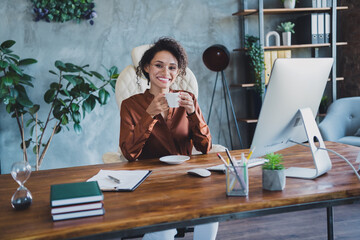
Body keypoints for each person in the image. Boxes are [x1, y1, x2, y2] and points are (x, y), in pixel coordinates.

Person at [119, 37, 218, 240]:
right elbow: (129, 153)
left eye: (172, 67)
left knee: (211, 214)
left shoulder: (187, 99)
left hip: (187, 177)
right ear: (147, 67)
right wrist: (149, 115)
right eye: (159, 65)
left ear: (178, 72)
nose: (166, 73)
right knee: (163, 229)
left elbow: (205, 146)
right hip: (151, 182)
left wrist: (193, 114)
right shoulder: (131, 105)